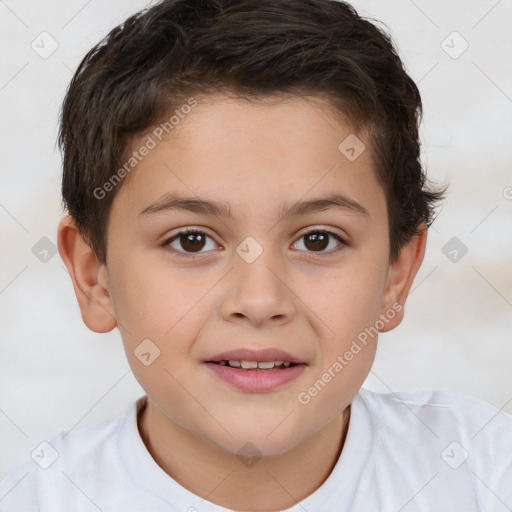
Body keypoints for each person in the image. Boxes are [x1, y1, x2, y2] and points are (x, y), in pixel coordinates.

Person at [1, 0, 511, 510]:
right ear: (96, 277)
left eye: (318, 240)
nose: (260, 300)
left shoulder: (484, 471)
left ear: (395, 274)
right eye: (192, 240)